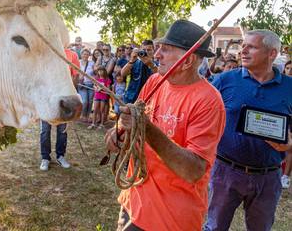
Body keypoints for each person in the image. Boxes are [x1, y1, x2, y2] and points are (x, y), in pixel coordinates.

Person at [105, 20, 225, 231]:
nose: (157, 54)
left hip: (169, 218)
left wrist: (147, 128)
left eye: (166, 49)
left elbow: (193, 170)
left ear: (188, 61)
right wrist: (120, 133)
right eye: (159, 48)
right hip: (133, 202)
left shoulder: (209, 101)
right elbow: (133, 129)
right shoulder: (154, 82)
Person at [205, 30, 292, 231]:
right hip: (225, 171)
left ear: (271, 54)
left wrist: (290, 143)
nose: (243, 50)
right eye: (243, 45)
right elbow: (203, 116)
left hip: (268, 177)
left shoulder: (290, 87)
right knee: (214, 227)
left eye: (251, 46)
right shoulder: (224, 80)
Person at [39, 47, 77, 171]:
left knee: (62, 130)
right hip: (47, 98)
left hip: (65, 99)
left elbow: (75, 76)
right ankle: (45, 158)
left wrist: (73, 97)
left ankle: (60, 156)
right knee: (45, 130)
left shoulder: (72, 54)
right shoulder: (46, 52)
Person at [121, 39, 158, 104]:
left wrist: (151, 64)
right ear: (140, 50)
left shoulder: (157, 64)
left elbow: (160, 76)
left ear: (153, 51)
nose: (146, 52)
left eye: (149, 50)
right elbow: (123, 73)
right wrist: (132, 60)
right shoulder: (134, 62)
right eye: (143, 50)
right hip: (131, 98)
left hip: (148, 100)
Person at [281, 60, 292, 189]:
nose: (290, 71)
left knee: (290, 149)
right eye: (287, 68)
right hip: (281, 119)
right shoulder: (281, 83)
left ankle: (285, 176)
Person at [77, 49, 95, 123]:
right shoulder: (78, 62)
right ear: (81, 55)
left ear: (89, 55)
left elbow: (95, 73)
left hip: (90, 84)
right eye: (84, 54)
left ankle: (87, 116)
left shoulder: (91, 63)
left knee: (90, 101)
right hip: (82, 84)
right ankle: (82, 115)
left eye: (87, 54)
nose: (85, 56)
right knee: (84, 101)